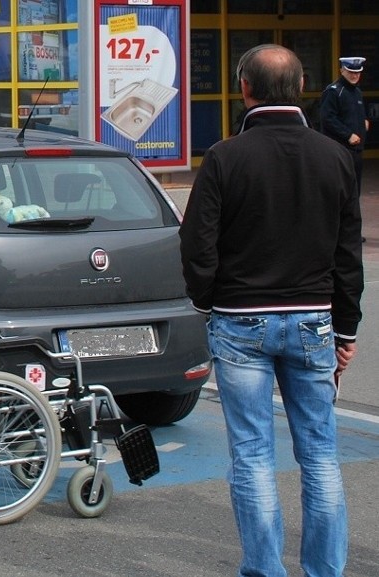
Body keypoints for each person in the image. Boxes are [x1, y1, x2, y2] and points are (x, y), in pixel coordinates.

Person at [179, 44, 363, 577]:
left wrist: (207, 299)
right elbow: (348, 254)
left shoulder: (225, 156)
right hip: (313, 321)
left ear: (244, 89)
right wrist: (345, 328)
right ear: (302, 86)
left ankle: (264, 569)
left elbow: (197, 246)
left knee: (254, 454)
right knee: (321, 454)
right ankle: (325, 570)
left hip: (240, 320)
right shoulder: (333, 157)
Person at [320, 57, 370, 197]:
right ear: (342, 70)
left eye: (358, 73)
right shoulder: (334, 91)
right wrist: (347, 135)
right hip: (341, 149)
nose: (355, 76)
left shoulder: (357, 91)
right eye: (350, 72)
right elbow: (327, 118)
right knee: (341, 189)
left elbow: (353, 113)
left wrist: (364, 120)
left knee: (355, 190)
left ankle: (353, 218)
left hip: (357, 150)